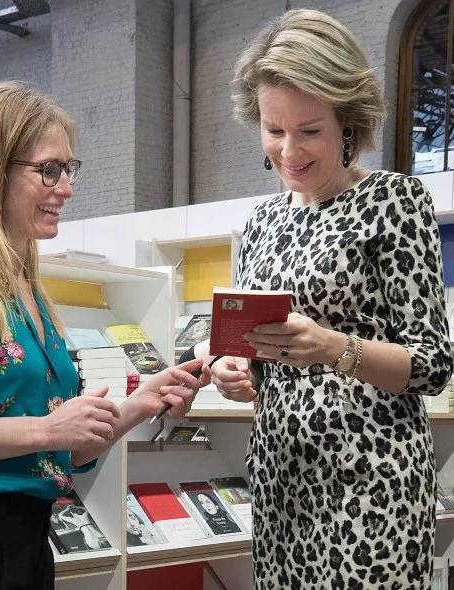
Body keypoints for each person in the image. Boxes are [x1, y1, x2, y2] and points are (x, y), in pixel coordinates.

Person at [0, 80, 210, 590]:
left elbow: (63, 451)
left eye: (68, 169)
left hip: (27, 540)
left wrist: (140, 404)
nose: (67, 188)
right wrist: (50, 429)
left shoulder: (26, 288)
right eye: (48, 170)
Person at [203, 8, 451, 589]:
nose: (289, 150)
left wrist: (335, 347)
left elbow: (434, 364)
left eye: (310, 130)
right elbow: (260, 354)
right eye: (273, 129)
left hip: (372, 486)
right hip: (282, 479)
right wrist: (235, 371)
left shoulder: (394, 202)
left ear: (349, 122)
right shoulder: (261, 222)